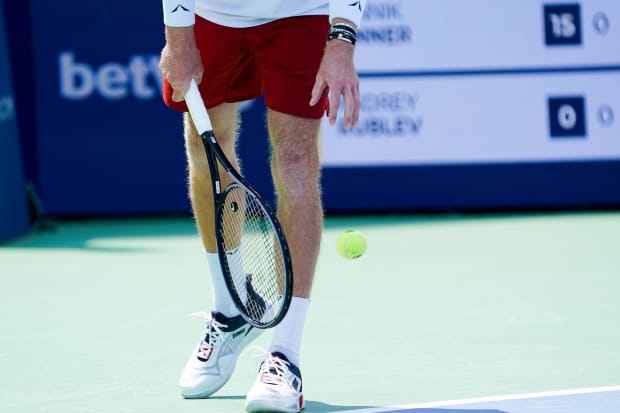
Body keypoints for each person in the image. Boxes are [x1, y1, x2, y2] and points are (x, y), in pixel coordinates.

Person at [159, 1, 366, 412]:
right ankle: (230, 308)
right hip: (211, 14)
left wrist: (341, 40)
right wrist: (178, 37)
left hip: (303, 14)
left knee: (296, 162)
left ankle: (285, 355)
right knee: (204, 148)